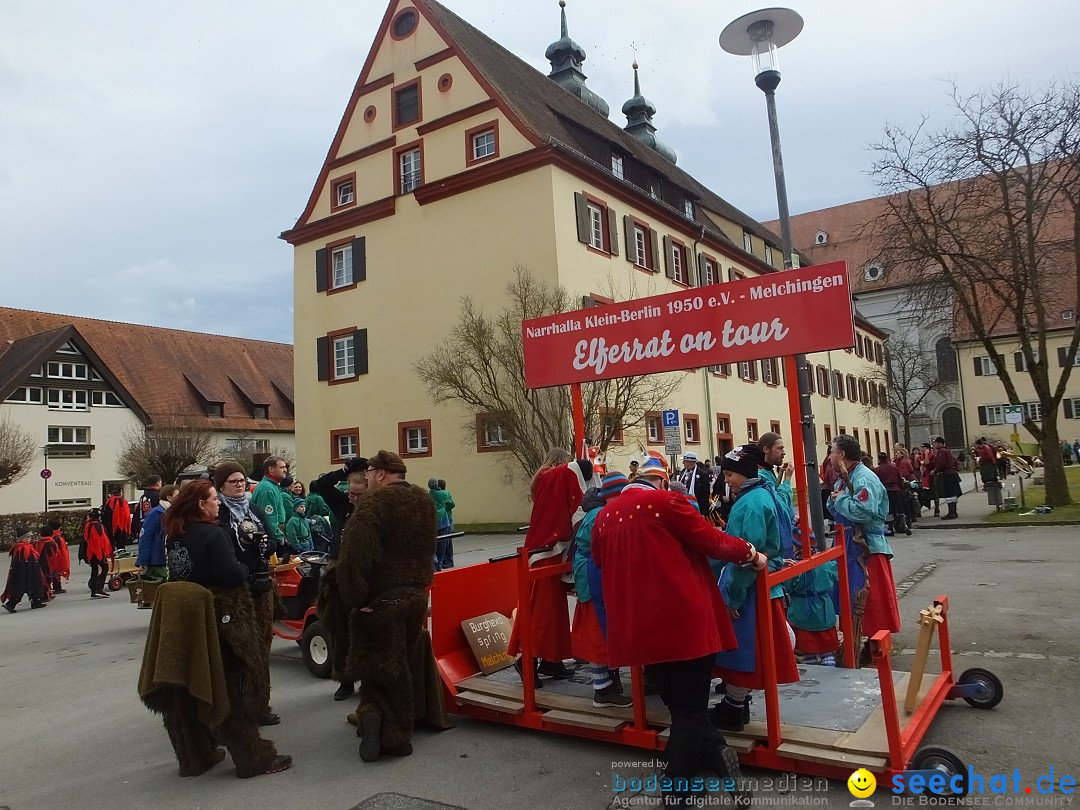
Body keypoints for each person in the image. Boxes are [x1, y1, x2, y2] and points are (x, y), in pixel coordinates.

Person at [592, 455, 764, 808]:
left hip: (641, 629)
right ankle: (676, 792)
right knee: (689, 712)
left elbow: (598, 558)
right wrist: (751, 554)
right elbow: (713, 542)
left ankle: (716, 753)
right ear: (659, 481)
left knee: (681, 708)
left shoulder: (604, 517)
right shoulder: (665, 502)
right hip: (685, 622)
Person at [158, 480, 292, 777]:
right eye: (212, 499)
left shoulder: (175, 535)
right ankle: (252, 757)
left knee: (192, 686)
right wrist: (247, 570)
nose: (218, 503)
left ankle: (195, 757)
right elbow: (231, 575)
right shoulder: (214, 534)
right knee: (234, 685)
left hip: (186, 616)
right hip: (220, 615)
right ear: (201, 505)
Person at [334, 450, 435, 761]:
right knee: (397, 661)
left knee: (383, 666)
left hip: (382, 599)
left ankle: (393, 733)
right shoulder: (425, 502)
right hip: (416, 595)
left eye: (368, 473)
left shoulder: (373, 507)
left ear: (379, 474)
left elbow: (352, 560)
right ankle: (374, 717)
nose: (366, 478)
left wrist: (357, 600)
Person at [710, 444, 800, 733]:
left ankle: (734, 708)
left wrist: (732, 597)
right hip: (764, 585)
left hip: (751, 589)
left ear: (744, 473)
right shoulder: (763, 494)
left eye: (729, 475)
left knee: (744, 650)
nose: (726, 481)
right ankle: (739, 703)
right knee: (755, 648)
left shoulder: (748, 505)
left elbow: (744, 556)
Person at [507, 448, 593, 687]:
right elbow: (573, 474)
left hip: (549, 548)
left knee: (553, 611)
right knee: (542, 611)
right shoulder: (551, 476)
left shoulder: (543, 480)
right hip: (545, 552)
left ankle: (551, 661)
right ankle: (528, 660)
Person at [214, 460, 284, 726]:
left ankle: (260, 705)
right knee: (240, 651)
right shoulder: (219, 513)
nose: (240, 485)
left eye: (242, 480)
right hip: (234, 591)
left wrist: (266, 543)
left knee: (262, 647)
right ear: (221, 486)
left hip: (260, 586)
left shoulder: (253, 508)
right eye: (233, 481)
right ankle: (237, 707)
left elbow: (273, 541)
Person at [827, 434, 901, 665]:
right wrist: (836, 499)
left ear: (841, 455)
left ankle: (873, 643)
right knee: (849, 597)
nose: (829, 456)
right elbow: (834, 505)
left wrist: (840, 500)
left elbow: (864, 511)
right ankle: (852, 640)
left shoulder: (864, 478)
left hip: (865, 547)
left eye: (831, 451)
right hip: (848, 545)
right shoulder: (844, 478)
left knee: (869, 599)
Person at [571, 472, 632, 708]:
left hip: (592, 573)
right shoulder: (601, 515)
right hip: (593, 577)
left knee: (603, 631)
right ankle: (602, 688)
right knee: (598, 633)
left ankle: (610, 681)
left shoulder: (600, 512)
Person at [314, 456, 369, 702]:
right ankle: (345, 681)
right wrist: (345, 470)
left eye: (358, 494)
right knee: (338, 626)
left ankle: (368, 679)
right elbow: (321, 485)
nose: (352, 498)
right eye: (350, 493)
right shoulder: (342, 504)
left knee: (365, 628)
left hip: (365, 572)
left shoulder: (375, 508)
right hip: (338, 566)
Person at [137, 484, 179, 587]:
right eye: (177, 495)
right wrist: (143, 561)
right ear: (168, 497)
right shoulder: (156, 513)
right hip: (157, 561)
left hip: (168, 560)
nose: (179, 498)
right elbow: (145, 537)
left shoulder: (173, 513)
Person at [3, 527, 47, 612]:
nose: (30, 539)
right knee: (29, 586)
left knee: (29, 587)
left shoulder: (21, 547)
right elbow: (25, 561)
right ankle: (11, 604)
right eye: (29, 537)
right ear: (24, 538)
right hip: (28, 571)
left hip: (27, 571)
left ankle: (35, 601)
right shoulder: (23, 548)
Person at [251, 456, 292, 547]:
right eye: (281, 467)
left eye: (285, 467)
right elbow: (269, 517)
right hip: (272, 538)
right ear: (271, 469)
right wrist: (279, 538)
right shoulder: (267, 489)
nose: (285, 470)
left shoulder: (273, 486)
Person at [80, 508, 114, 598]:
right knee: (104, 567)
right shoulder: (97, 526)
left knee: (95, 570)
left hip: (90, 552)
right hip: (96, 552)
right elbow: (100, 540)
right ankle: (99, 588)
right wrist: (103, 554)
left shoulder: (88, 525)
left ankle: (94, 590)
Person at [872, 452, 909, 536]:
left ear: (879, 459)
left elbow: (876, 483)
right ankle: (904, 524)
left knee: (889, 510)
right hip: (896, 490)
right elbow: (899, 480)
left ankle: (890, 528)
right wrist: (902, 489)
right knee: (900, 509)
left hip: (886, 491)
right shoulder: (894, 468)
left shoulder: (877, 470)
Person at [929, 436, 962, 520]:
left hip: (947, 474)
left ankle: (952, 513)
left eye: (936, 443)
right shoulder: (946, 450)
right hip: (951, 473)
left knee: (949, 493)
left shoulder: (942, 451)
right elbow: (954, 461)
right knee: (952, 493)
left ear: (940, 443)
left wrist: (935, 471)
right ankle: (953, 511)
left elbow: (941, 463)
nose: (934, 444)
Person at [428, 478, 455, 570]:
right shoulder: (444, 494)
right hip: (444, 521)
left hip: (433, 521)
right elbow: (451, 503)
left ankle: (435, 561)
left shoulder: (428, 496)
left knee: (434, 542)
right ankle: (441, 562)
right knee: (444, 543)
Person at [676, 452, 712, 518]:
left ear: (690, 462)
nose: (683, 463)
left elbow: (705, 493)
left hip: (697, 505)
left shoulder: (702, 474)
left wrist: (703, 512)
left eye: (685, 461)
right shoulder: (683, 472)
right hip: (684, 503)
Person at [131, 475, 162, 541]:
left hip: (143, 526)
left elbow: (138, 512)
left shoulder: (143, 497)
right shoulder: (159, 496)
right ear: (157, 483)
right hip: (156, 528)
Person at [47, 519, 71, 594]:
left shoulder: (51, 536)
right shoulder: (57, 537)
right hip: (57, 557)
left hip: (50, 558)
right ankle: (57, 587)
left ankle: (54, 587)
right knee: (56, 573)